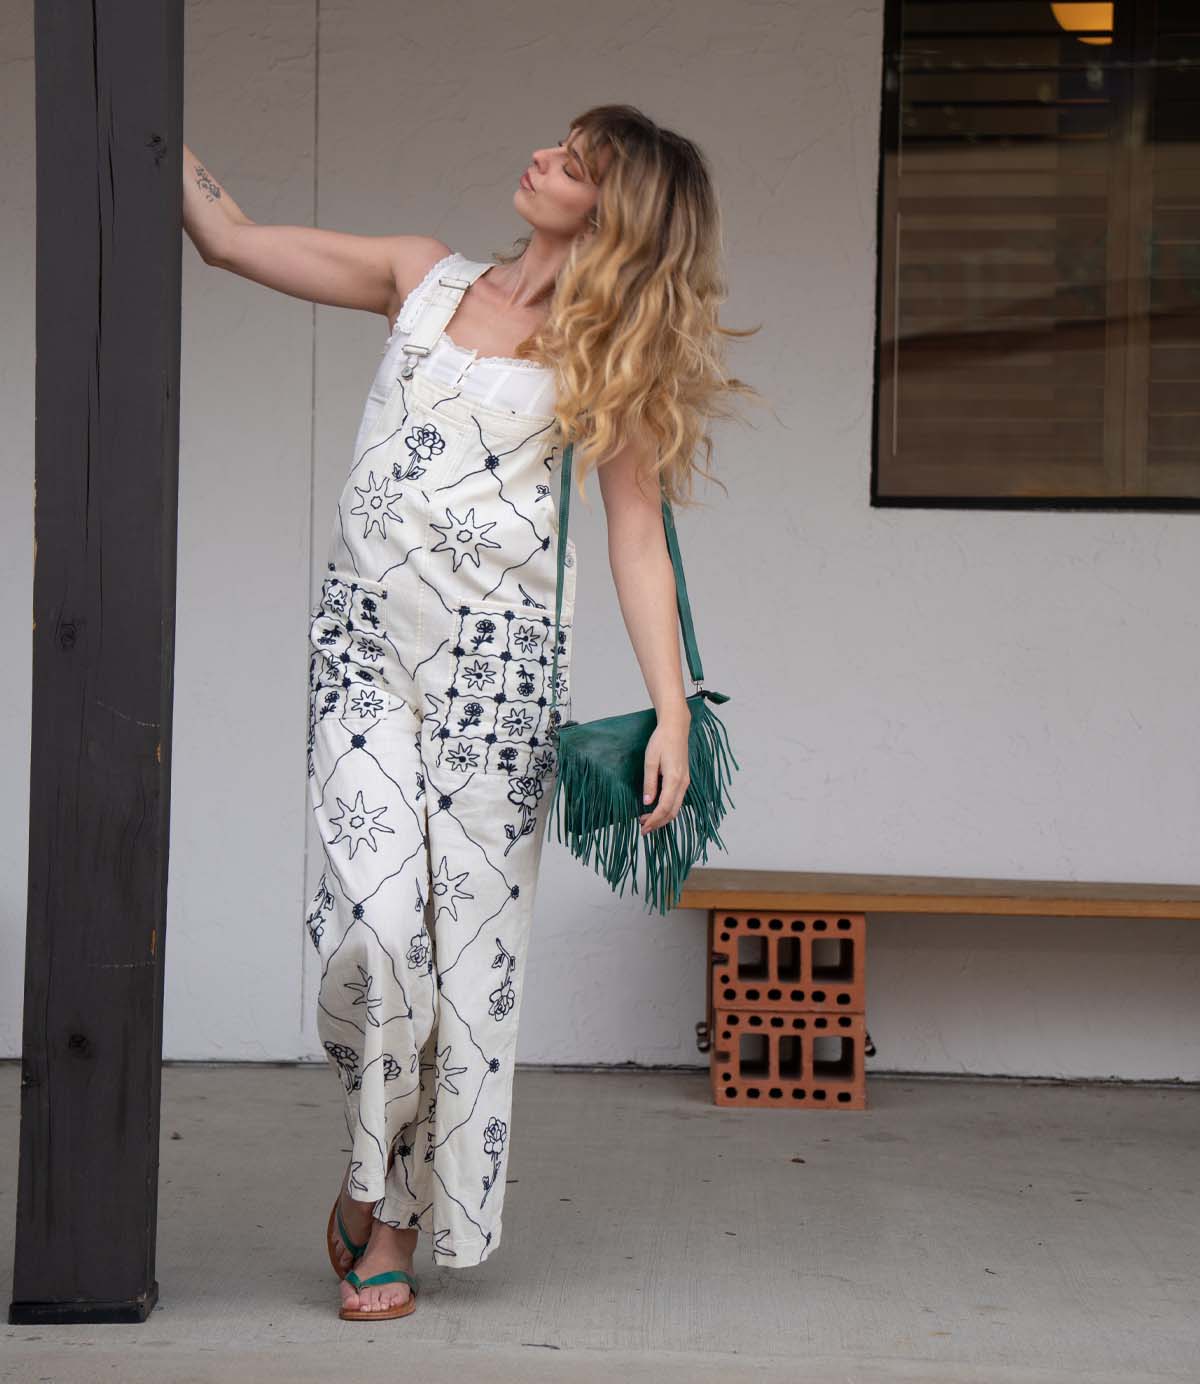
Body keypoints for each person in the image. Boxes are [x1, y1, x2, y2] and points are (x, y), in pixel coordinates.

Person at [182, 102, 758, 1321]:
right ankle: (372, 1166)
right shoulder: (418, 275)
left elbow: (638, 539)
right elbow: (227, 239)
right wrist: (152, 130)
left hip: (497, 675)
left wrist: (670, 707)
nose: (544, 156)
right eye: (558, 143)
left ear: (612, 211)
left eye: (577, 161)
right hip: (363, 651)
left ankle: (390, 1210)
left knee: (467, 968)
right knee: (379, 934)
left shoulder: (609, 352)